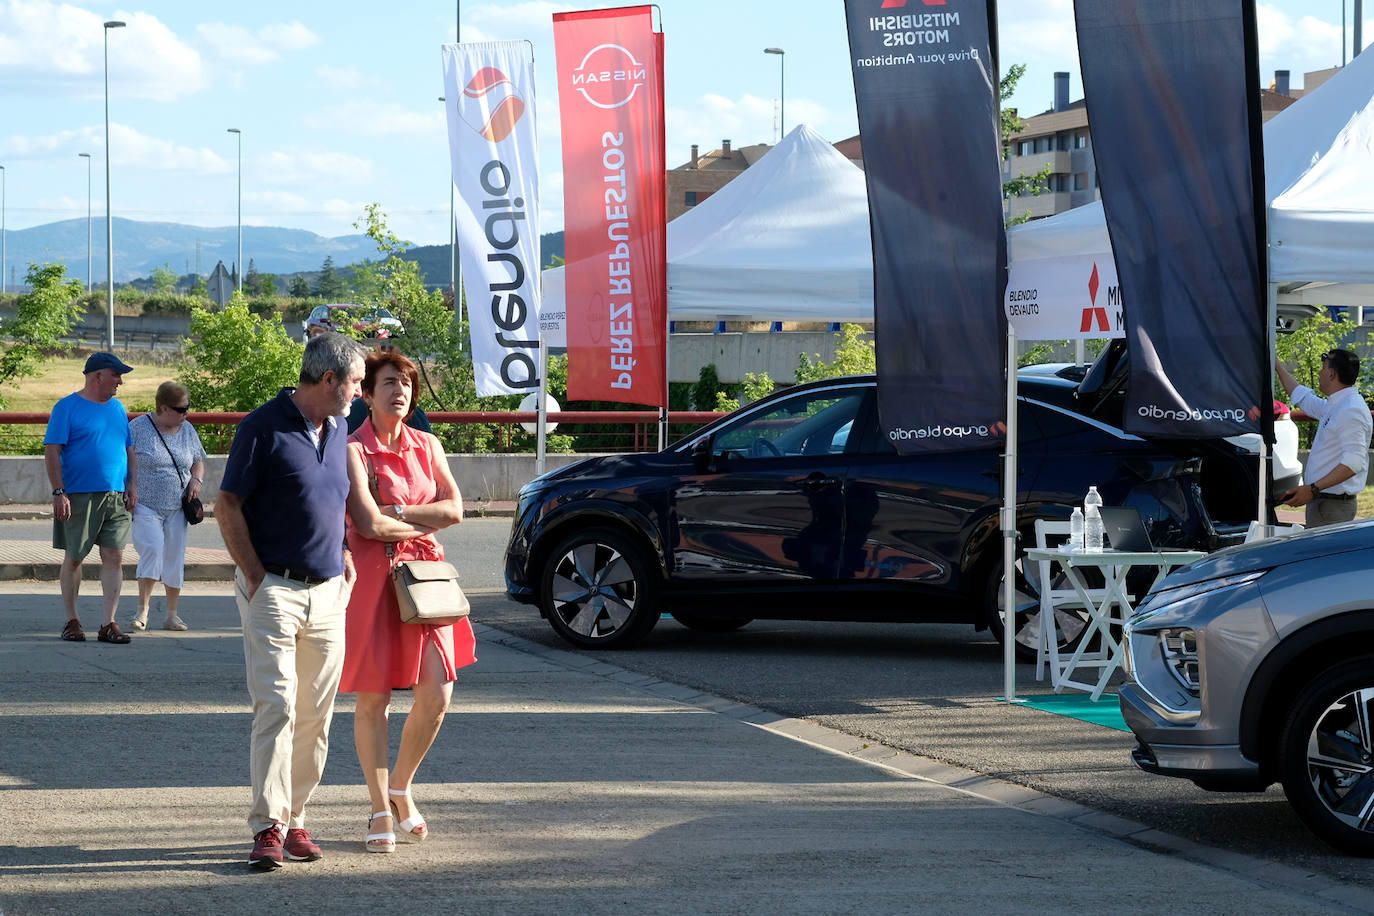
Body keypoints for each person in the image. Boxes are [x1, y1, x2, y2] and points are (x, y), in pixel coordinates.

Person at [217, 332, 369, 870]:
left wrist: (345, 551)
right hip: (274, 589)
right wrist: (255, 573)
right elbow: (226, 504)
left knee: (316, 715)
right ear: (328, 380)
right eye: (355, 382)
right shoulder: (263, 426)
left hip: (329, 592)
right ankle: (268, 825)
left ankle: (297, 816)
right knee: (277, 708)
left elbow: (332, 500)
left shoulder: (340, 426)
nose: (361, 392)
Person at [340, 349, 472, 854]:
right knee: (374, 699)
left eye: (408, 385)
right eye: (390, 383)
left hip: (425, 578)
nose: (401, 392)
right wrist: (418, 519)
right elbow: (367, 526)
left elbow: (455, 509)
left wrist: (398, 510)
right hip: (374, 581)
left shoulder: (428, 444)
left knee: (437, 695)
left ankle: (400, 786)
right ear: (366, 394)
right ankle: (378, 807)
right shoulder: (353, 450)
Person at [44, 352, 138, 645]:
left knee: (115, 556)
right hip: (79, 495)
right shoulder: (67, 408)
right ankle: (72, 620)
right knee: (74, 556)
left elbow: (129, 450)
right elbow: (52, 451)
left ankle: (108, 623)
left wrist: (132, 485)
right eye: (116, 375)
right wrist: (59, 491)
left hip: (115, 495)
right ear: (98, 376)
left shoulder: (118, 409)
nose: (120, 382)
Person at [127, 381, 207, 632]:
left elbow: (198, 461)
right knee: (152, 549)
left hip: (176, 506)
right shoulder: (138, 428)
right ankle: (143, 610)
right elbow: (124, 462)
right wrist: (129, 487)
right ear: (162, 408)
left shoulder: (187, 430)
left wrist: (197, 479)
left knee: (174, 558)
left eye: (188, 408)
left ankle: (172, 614)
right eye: (181, 409)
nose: (186, 414)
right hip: (145, 504)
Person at [1276, 349, 1373, 527]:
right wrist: (1276, 365)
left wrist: (1313, 489)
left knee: (1322, 554)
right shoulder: (1338, 404)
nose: (1320, 372)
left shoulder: (1351, 410)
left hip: (1332, 506)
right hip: (1326, 503)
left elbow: (1353, 463)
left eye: (1323, 367)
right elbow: (1303, 398)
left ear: (1331, 374)